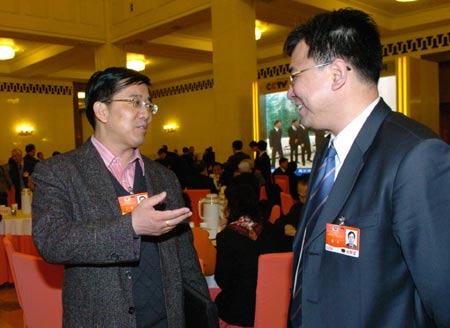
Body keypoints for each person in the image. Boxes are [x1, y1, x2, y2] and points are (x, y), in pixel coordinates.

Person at [285, 8, 450, 328]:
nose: (290, 91)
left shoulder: (416, 156)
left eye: (295, 75)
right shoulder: (328, 151)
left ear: (336, 73)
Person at [32, 67, 210, 327]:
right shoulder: (59, 172)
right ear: (101, 111)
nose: (146, 113)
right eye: (135, 102)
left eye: (149, 104)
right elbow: (52, 240)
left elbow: (186, 259)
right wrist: (131, 227)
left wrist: (204, 312)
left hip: (167, 319)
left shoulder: (163, 177)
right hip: (100, 320)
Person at [215, 184, 286, 327]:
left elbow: (222, 279)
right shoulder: (274, 231)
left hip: (240, 313)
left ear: (230, 206)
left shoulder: (226, 236)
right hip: (276, 309)